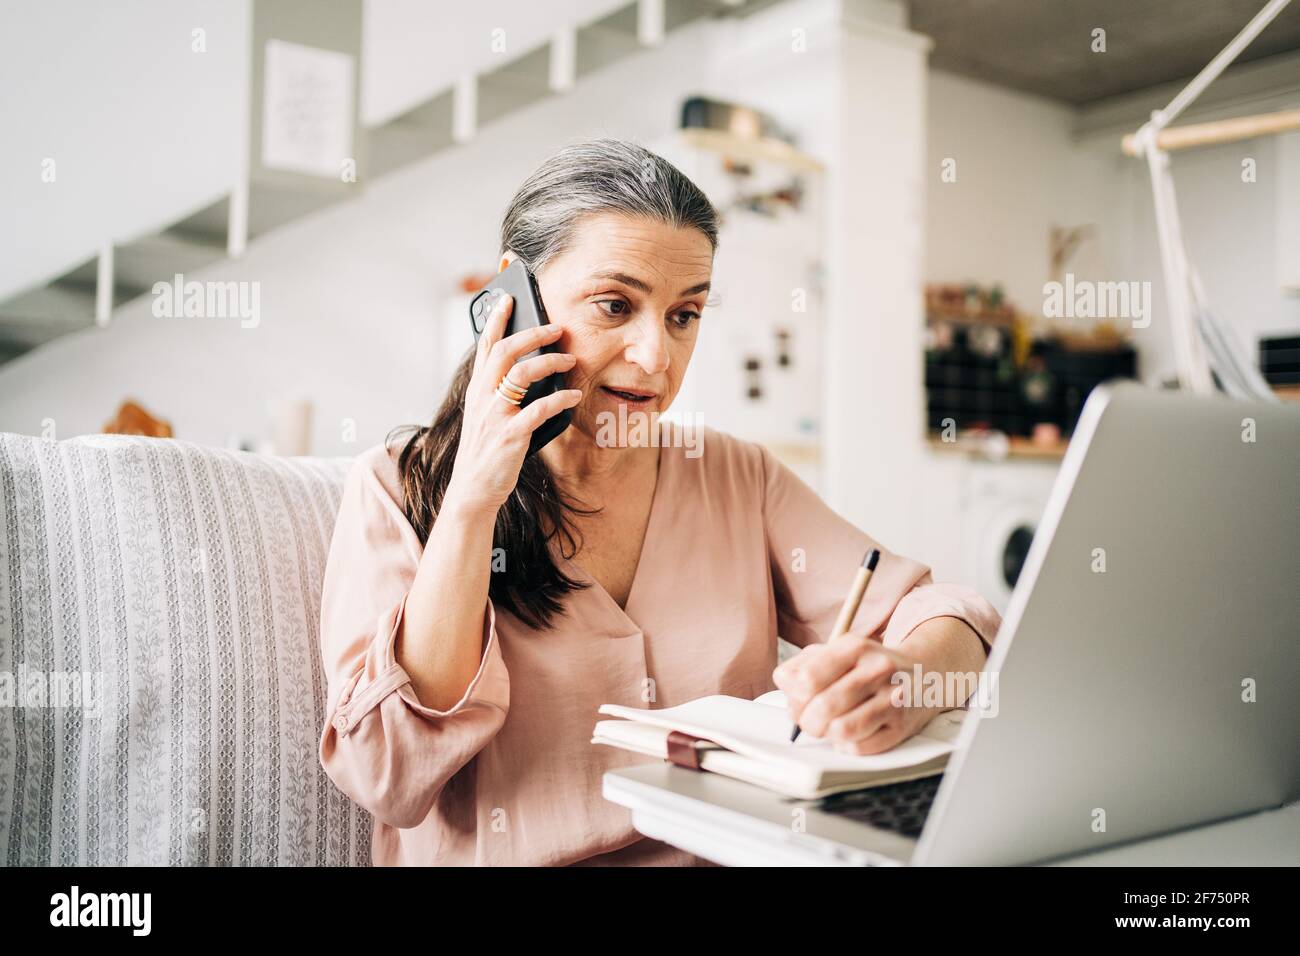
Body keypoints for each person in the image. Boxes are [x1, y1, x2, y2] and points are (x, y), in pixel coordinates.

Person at [318, 139, 1001, 865]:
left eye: (684, 315)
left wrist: (907, 678)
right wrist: (472, 504)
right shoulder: (398, 488)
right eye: (616, 305)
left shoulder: (733, 475)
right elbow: (386, 777)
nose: (656, 358)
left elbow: (950, 614)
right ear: (512, 297)